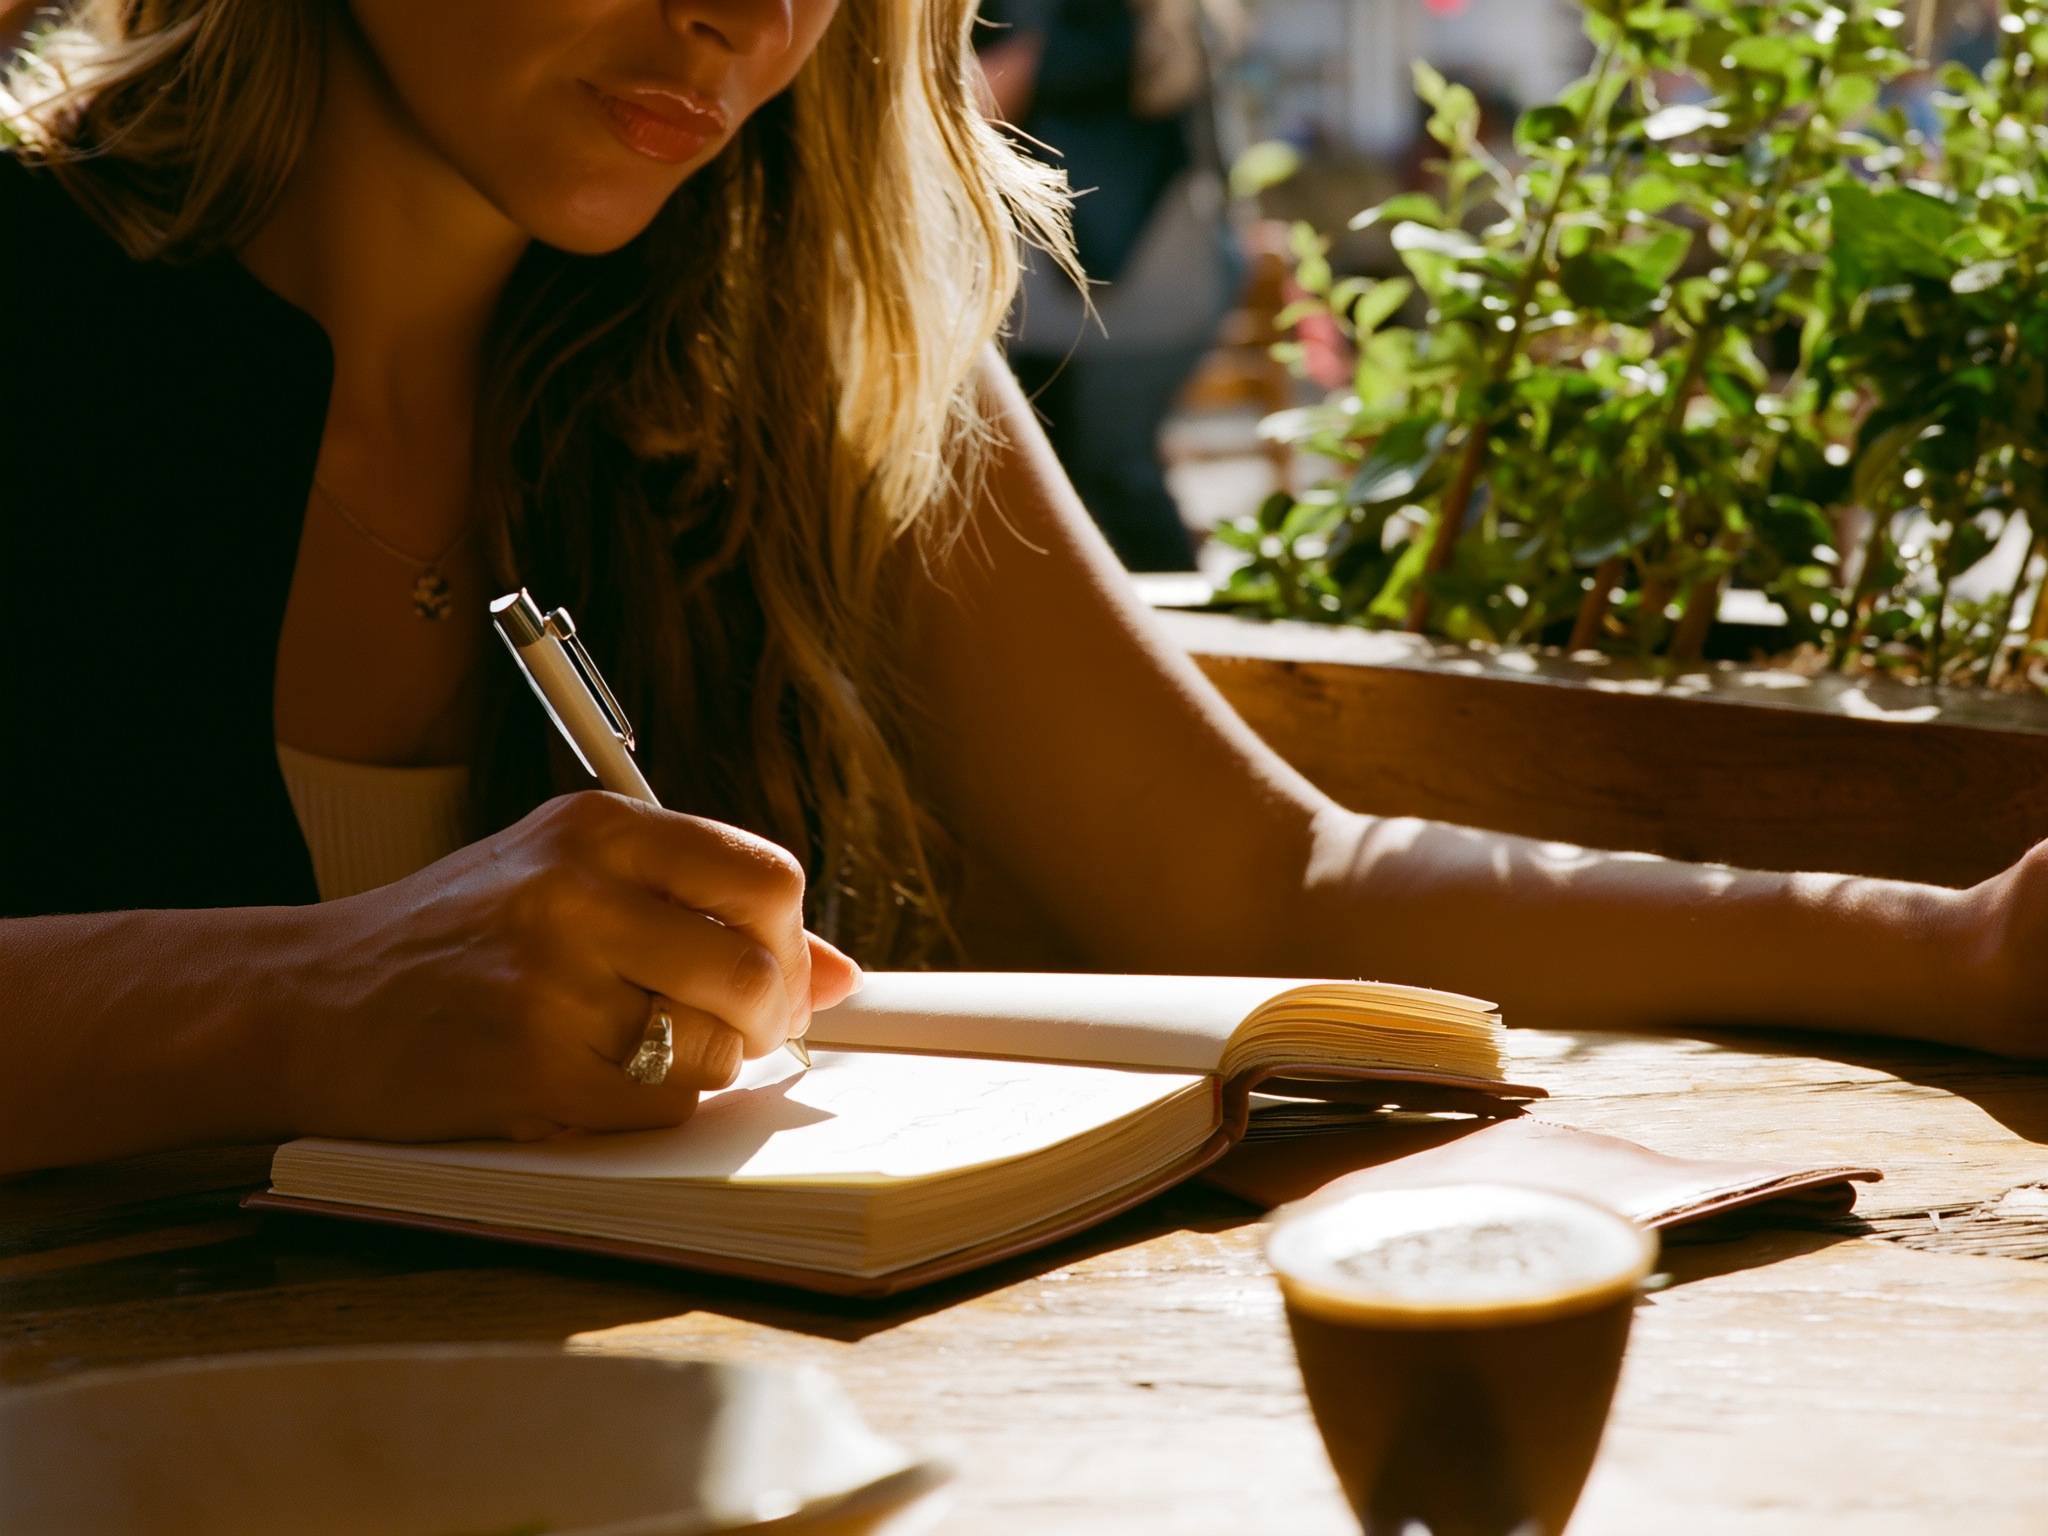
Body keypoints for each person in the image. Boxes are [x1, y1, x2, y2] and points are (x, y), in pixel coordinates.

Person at [0, 0, 2043, 1182]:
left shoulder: (766, 339)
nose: (745, 20)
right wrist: (283, 1003)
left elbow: (1262, 886)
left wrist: (1961, 951)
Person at [977, 0, 1242, 572]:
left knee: (1107, 478)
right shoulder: (1163, 20)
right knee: (1092, 479)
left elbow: (983, 94)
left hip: (1123, 281)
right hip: (1128, 276)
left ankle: (1170, 642)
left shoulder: (1091, 23)